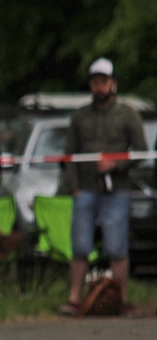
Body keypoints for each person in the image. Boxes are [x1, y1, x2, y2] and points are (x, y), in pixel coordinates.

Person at [59, 58, 147, 317]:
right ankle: (74, 299)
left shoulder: (128, 114)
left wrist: (115, 164)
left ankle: (120, 299)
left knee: (117, 247)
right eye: (95, 82)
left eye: (104, 81)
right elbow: (69, 155)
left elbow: (141, 151)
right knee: (80, 245)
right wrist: (73, 187)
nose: (99, 86)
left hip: (116, 190)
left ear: (113, 84)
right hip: (85, 189)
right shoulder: (79, 116)